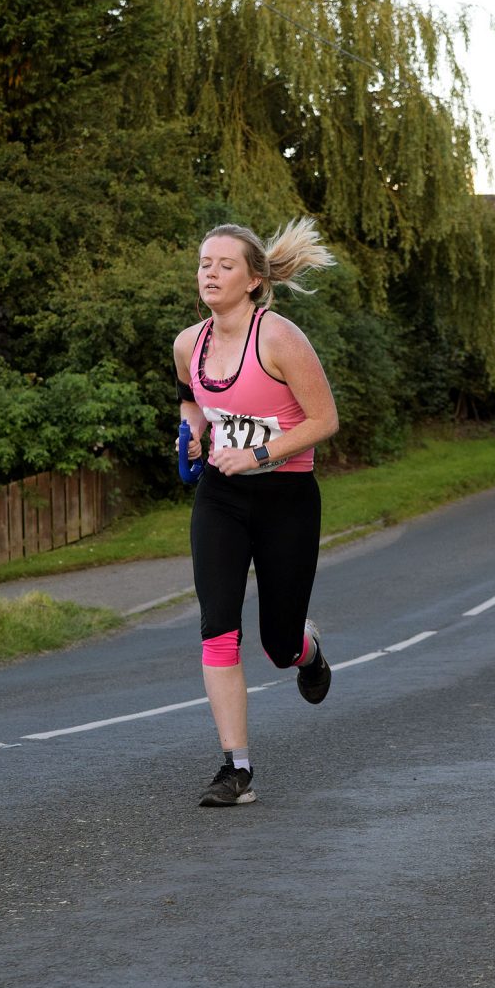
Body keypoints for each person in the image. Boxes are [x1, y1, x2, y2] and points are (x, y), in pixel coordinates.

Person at [173, 218, 339, 806]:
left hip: (286, 497)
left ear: (252, 280)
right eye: (204, 264)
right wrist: (193, 435)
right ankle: (235, 769)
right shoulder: (188, 344)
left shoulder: (279, 338)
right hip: (220, 496)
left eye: (225, 265)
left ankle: (306, 652)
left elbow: (325, 420)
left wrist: (260, 454)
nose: (210, 274)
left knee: (277, 644)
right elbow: (192, 401)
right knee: (218, 627)